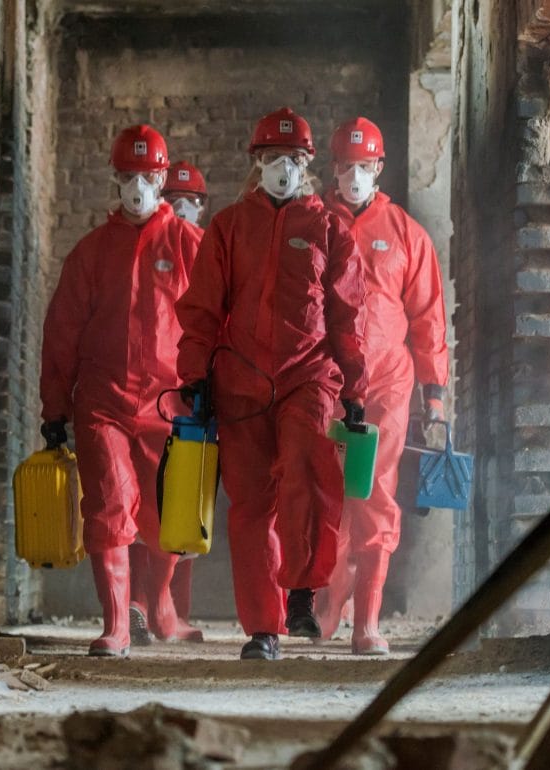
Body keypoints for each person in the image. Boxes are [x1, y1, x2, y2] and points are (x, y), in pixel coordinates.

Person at [175, 107, 368, 661]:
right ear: (255, 163)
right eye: (271, 158)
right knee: (252, 504)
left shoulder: (331, 230)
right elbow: (202, 310)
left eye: (294, 159)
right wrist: (195, 376)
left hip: (308, 376)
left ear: (309, 165)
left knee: (309, 471)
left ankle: (302, 589)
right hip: (240, 382)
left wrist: (354, 388)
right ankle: (264, 627)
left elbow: (348, 315)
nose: (283, 167)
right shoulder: (229, 228)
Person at [40, 125, 203, 657]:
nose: (139, 187)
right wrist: (54, 407)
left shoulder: (186, 245)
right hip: (104, 402)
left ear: (164, 178)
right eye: (129, 177)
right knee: (109, 506)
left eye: (149, 177)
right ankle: (117, 624)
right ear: (117, 179)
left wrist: (212, 386)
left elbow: (213, 319)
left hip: (169, 402)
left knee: (167, 515)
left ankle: (160, 608)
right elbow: (62, 331)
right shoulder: (90, 254)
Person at [316, 117, 449, 655]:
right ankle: (328, 606)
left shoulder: (405, 235)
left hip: (388, 386)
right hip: (324, 381)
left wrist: (434, 395)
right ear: (333, 168)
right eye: (346, 166)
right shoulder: (312, 224)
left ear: (379, 167)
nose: (354, 175)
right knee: (327, 494)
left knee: (372, 493)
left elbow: (428, 319)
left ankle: (366, 622)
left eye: (364, 166)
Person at [130, 159, 211, 646]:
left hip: (183, 389)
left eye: (191, 202)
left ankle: (164, 609)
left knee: (175, 505)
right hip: (164, 391)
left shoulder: (193, 248)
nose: (182, 210)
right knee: (156, 503)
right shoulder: (161, 244)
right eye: (175, 199)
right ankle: (151, 607)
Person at [162, 161, 208, 226]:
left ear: (201, 211)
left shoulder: (208, 236)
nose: (181, 207)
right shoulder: (148, 235)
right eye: (173, 199)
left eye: (190, 200)